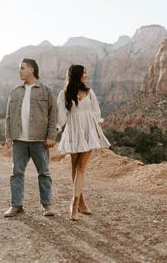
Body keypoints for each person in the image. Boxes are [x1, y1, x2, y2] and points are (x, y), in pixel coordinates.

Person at [4, 58, 57, 218]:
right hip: (19, 140)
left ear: (31, 70)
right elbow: (8, 116)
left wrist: (51, 136)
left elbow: (53, 114)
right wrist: (8, 136)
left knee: (44, 173)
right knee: (16, 173)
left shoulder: (46, 90)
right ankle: (16, 205)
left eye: (22, 68)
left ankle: (46, 205)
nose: (19, 71)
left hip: (39, 140)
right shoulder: (14, 91)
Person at [57, 64, 110, 221]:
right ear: (77, 74)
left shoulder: (90, 92)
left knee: (81, 167)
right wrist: (57, 127)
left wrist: (96, 127)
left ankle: (74, 203)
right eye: (84, 72)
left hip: (88, 131)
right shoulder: (64, 94)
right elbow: (62, 116)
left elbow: (96, 112)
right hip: (73, 131)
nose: (87, 74)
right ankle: (81, 200)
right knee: (74, 167)